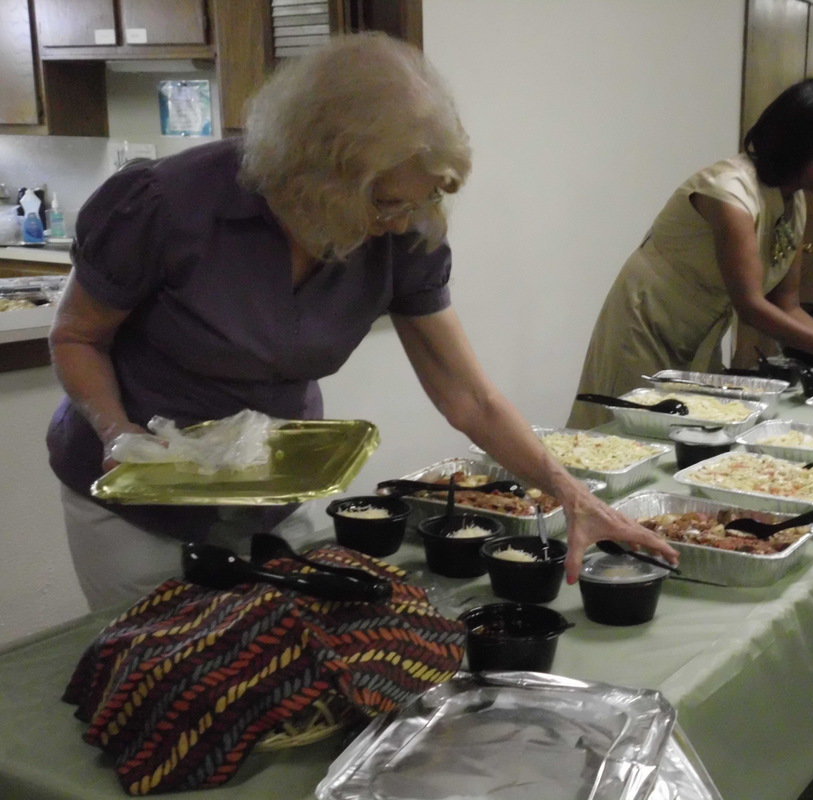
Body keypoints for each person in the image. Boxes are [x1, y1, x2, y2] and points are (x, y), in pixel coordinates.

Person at [46, 34, 676, 611]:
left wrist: (573, 496)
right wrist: (117, 433)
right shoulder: (168, 204)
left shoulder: (405, 230)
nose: (402, 222)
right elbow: (77, 336)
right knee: (162, 670)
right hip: (141, 502)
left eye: (422, 200)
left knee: (276, 661)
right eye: (385, 201)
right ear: (314, 170)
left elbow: (471, 398)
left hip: (270, 493)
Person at [567, 79, 813, 430]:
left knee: (686, 428)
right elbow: (751, 306)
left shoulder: (794, 200)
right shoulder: (729, 192)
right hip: (646, 322)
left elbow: (787, 306)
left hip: (699, 331)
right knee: (625, 431)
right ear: (796, 148)